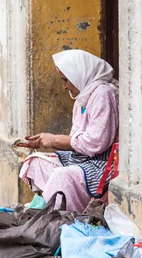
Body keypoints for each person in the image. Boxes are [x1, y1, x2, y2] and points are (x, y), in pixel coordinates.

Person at [18, 49, 118, 212]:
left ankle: (55, 216)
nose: (64, 87)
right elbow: (76, 141)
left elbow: (95, 143)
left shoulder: (104, 94)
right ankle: (52, 207)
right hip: (82, 160)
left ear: (80, 74)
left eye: (66, 80)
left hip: (102, 164)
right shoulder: (82, 98)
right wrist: (45, 143)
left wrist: (55, 140)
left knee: (61, 176)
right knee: (35, 162)